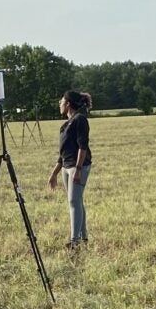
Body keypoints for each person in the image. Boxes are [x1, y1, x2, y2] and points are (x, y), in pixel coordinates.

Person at [53, 90, 93, 248]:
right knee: (77, 201)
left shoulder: (80, 120)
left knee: (73, 201)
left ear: (68, 103)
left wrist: (78, 168)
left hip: (79, 166)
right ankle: (83, 238)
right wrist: (54, 174)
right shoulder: (65, 124)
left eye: (62, 101)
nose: (59, 103)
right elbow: (63, 154)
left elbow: (82, 147)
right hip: (66, 166)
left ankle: (74, 241)